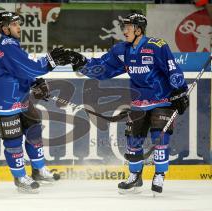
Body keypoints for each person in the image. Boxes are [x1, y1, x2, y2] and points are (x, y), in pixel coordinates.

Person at [63, 11, 189, 194]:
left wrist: (180, 92)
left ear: (139, 30)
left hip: (162, 100)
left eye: (128, 27)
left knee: (159, 139)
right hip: (138, 103)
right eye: (124, 27)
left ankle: (159, 175)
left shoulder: (157, 46)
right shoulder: (121, 50)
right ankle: (135, 177)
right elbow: (103, 68)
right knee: (133, 140)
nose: (124, 31)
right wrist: (81, 62)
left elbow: (172, 68)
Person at [0, 11, 70, 193]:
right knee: (13, 142)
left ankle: (38, 170)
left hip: (19, 97)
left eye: (18, 23)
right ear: (5, 28)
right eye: (15, 24)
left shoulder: (11, 45)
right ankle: (20, 179)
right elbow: (30, 67)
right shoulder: (7, 46)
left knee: (34, 129)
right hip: (4, 102)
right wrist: (50, 61)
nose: (19, 27)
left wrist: (34, 82)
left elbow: (19, 71)